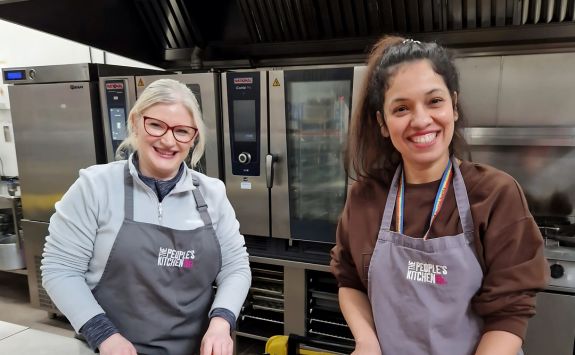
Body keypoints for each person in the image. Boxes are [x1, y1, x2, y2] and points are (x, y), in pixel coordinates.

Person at [330, 36, 549, 355]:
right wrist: (366, 342)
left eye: (434, 101)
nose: (421, 120)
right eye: (401, 108)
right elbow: (349, 280)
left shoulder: (495, 195)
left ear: (454, 106)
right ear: (382, 122)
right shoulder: (365, 196)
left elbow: (509, 314)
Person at [41, 78, 251, 355]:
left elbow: (235, 267)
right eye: (156, 125)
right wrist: (104, 336)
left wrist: (221, 323)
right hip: (110, 348)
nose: (168, 140)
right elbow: (60, 269)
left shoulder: (212, 194)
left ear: (194, 137)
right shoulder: (95, 187)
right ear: (136, 122)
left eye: (182, 131)